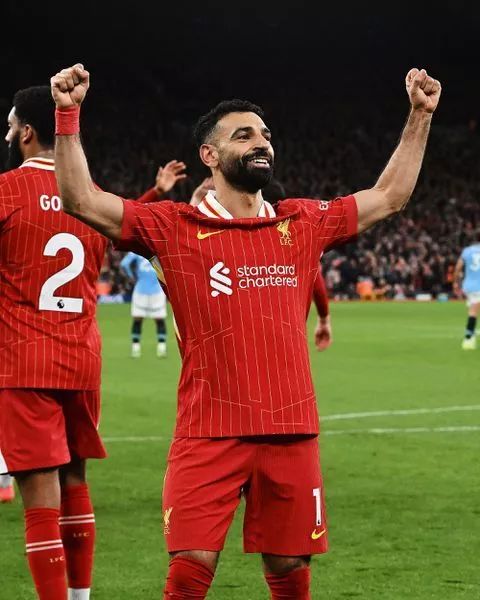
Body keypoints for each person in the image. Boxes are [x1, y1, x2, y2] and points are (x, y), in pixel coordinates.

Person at [51, 63, 441, 600]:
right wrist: (67, 114)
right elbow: (80, 201)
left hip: (291, 428)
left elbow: (389, 196)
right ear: (209, 157)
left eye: (265, 135)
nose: (262, 143)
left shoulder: (302, 223)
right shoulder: (172, 226)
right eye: (244, 135)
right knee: (189, 570)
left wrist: (420, 115)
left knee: (289, 571)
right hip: (208, 429)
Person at [0, 85, 108, 600]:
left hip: (24, 361)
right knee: (75, 484)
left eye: (9, 125)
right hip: (81, 358)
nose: (6, 133)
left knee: (39, 502)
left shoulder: (4, 192)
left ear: (26, 132)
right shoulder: (90, 197)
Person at [120, 251, 169, 357]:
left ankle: (135, 349)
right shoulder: (158, 249)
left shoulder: (137, 249)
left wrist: (131, 276)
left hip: (140, 290)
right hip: (157, 290)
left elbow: (124, 264)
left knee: (137, 320)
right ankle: (162, 348)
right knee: (160, 320)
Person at [453, 230, 480, 350]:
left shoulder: (467, 251)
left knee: (473, 309)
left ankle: (470, 335)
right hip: (478, 286)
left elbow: (458, 267)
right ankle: (468, 338)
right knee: (473, 311)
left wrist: (455, 282)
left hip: (468, 286)